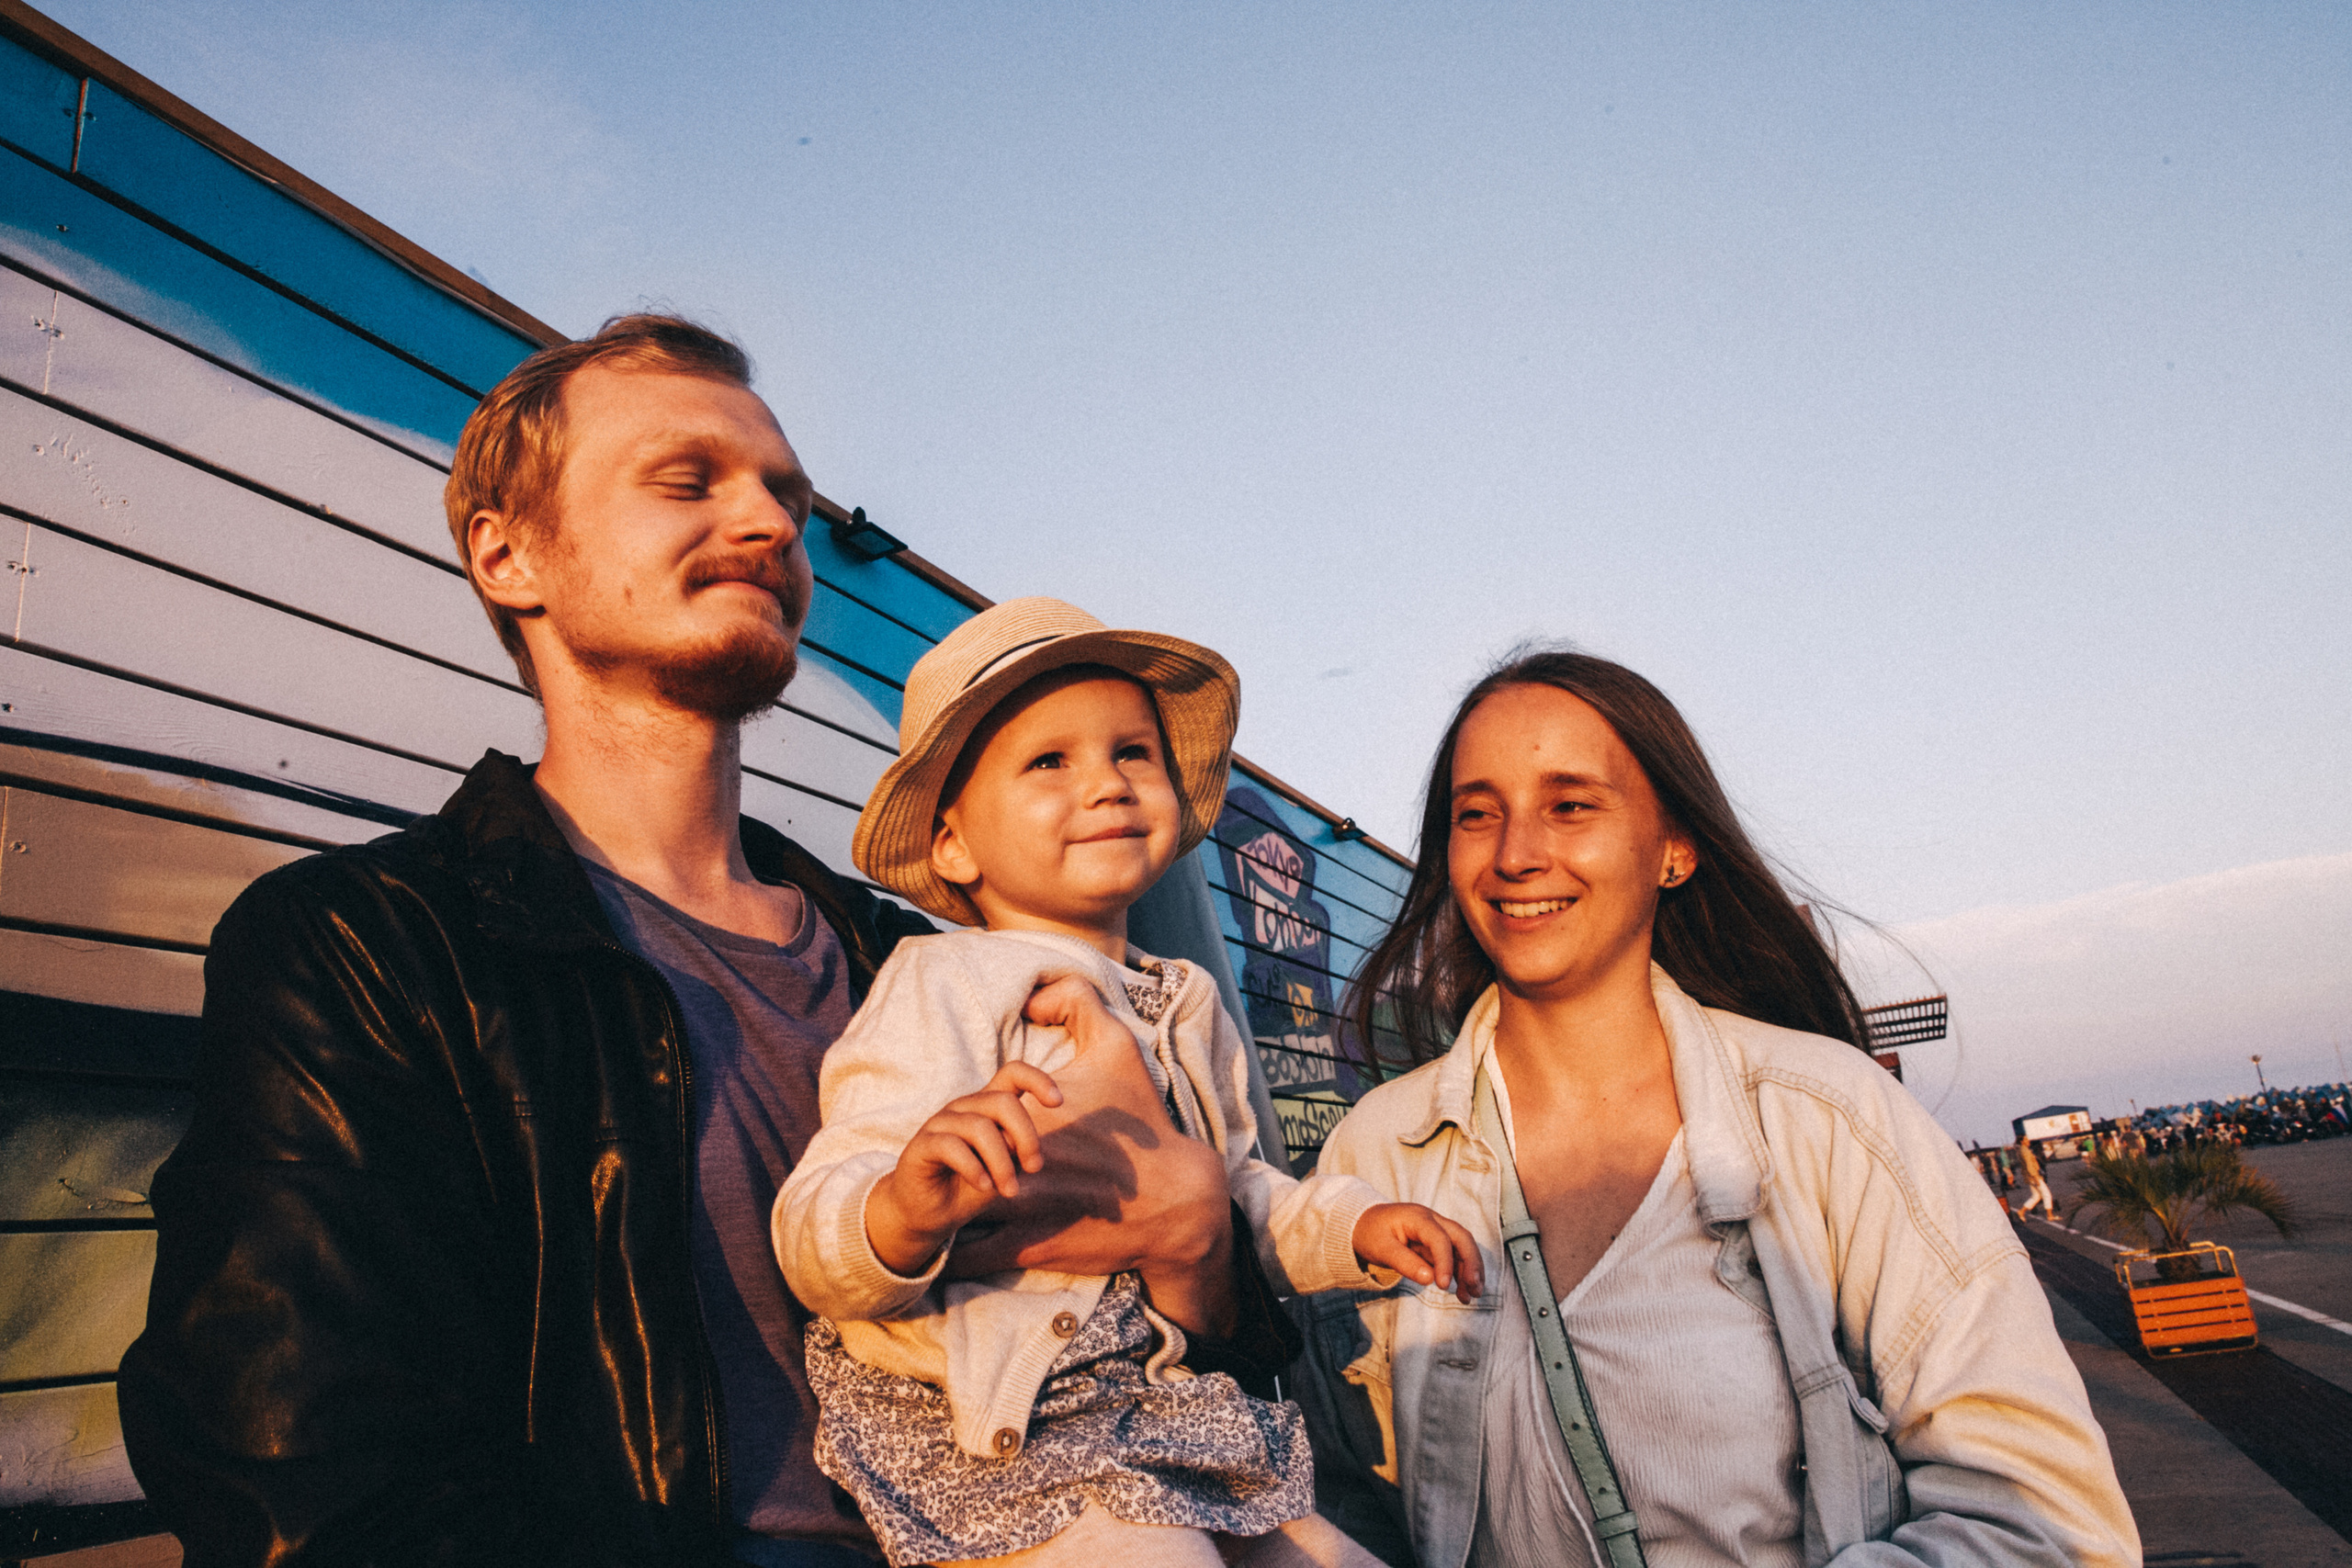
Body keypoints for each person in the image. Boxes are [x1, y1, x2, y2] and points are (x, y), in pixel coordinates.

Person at [119, 318, 1286, 1567]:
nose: (773, 522)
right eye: (688, 481)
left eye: (783, 495)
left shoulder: (921, 964)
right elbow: (304, 1486)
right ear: (509, 555)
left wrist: (1199, 1243)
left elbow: (1203, 1366)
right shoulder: (370, 948)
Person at [1284, 649, 2138, 1568]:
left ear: (1673, 849)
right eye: (1475, 815)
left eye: (1569, 805)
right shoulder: (1376, 1153)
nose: (1515, 854)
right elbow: (1333, 1501)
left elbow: (2047, 1521)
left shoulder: (1831, 1120)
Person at [774, 599, 1481, 1568]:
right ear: (951, 847)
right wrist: (900, 1207)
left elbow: (1237, 1194)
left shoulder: (1181, 998)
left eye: (1130, 753)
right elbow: (819, 1208)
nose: (1104, 784)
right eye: (1048, 762)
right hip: (993, 1421)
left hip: (1152, 1409)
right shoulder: (940, 979)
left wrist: (1351, 1225)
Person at [2014, 1134, 2057, 1220]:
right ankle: (2050, 1215)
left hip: (2029, 1176)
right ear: (2022, 1142)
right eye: (2026, 1140)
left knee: (2036, 1196)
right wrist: (2035, 1177)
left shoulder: (2022, 1150)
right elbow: (2029, 1165)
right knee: (2047, 1194)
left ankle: (2021, 1212)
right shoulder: (2025, 1151)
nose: (2028, 1141)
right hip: (2033, 1176)